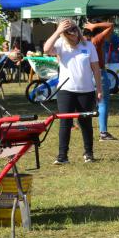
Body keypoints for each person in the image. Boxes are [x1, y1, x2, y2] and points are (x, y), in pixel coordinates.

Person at [43, 19, 102, 164]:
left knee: (85, 123)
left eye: (74, 28)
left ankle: (89, 153)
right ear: (64, 33)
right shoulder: (60, 45)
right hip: (66, 90)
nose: (73, 32)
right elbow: (46, 49)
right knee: (65, 123)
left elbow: (96, 69)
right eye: (68, 30)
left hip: (86, 90)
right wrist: (57, 31)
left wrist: (99, 89)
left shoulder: (88, 46)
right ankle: (62, 156)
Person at [84, 20, 118, 142]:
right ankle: (103, 133)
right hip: (98, 73)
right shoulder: (96, 40)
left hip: (85, 75)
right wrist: (95, 25)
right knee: (103, 103)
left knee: (86, 103)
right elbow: (111, 25)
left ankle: (80, 126)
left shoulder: (80, 43)